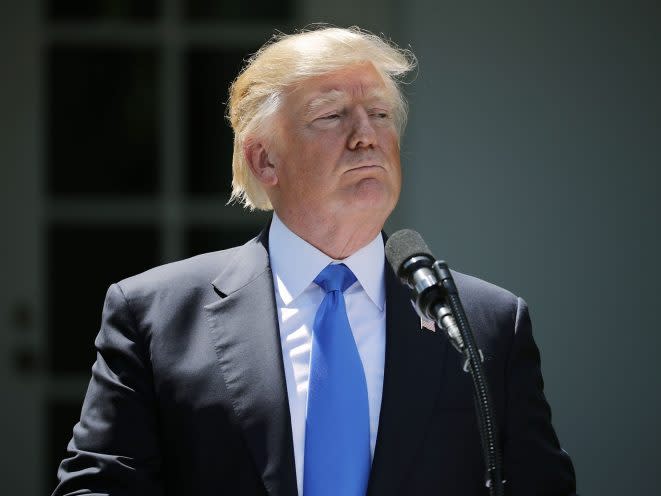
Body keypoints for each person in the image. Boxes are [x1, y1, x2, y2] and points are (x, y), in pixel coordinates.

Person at [53, 26, 577, 495]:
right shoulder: (155, 315)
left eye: (379, 114)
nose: (366, 135)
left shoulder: (486, 321)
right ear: (264, 159)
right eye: (330, 115)